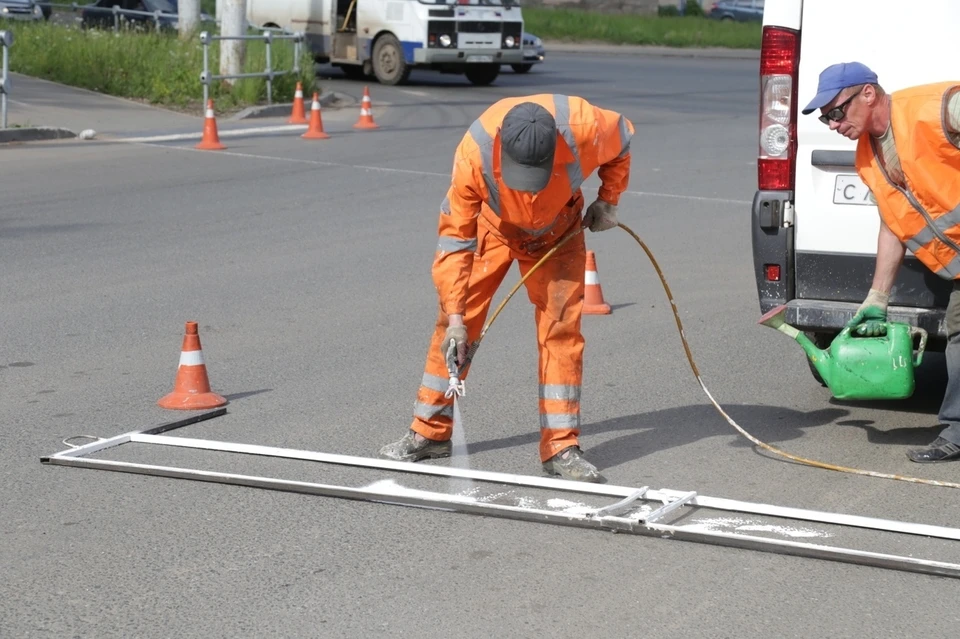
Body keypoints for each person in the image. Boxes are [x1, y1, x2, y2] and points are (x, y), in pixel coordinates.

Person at [378, 94, 634, 482]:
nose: (529, 190)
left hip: (559, 231)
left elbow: (623, 142)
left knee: (560, 334)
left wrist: (608, 201)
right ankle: (430, 432)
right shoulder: (474, 153)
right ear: (501, 152)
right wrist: (458, 316)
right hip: (494, 230)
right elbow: (455, 241)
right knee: (453, 328)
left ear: (556, 150)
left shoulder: (586, 126)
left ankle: (561, 448)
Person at [802, 62, 960, 463]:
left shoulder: (937, 109)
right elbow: (894, 225)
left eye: (836, 112)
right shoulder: (867, 159)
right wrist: (877, 297)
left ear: (868, 94)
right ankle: (957, 432)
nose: (833, 124)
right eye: (826, 118)